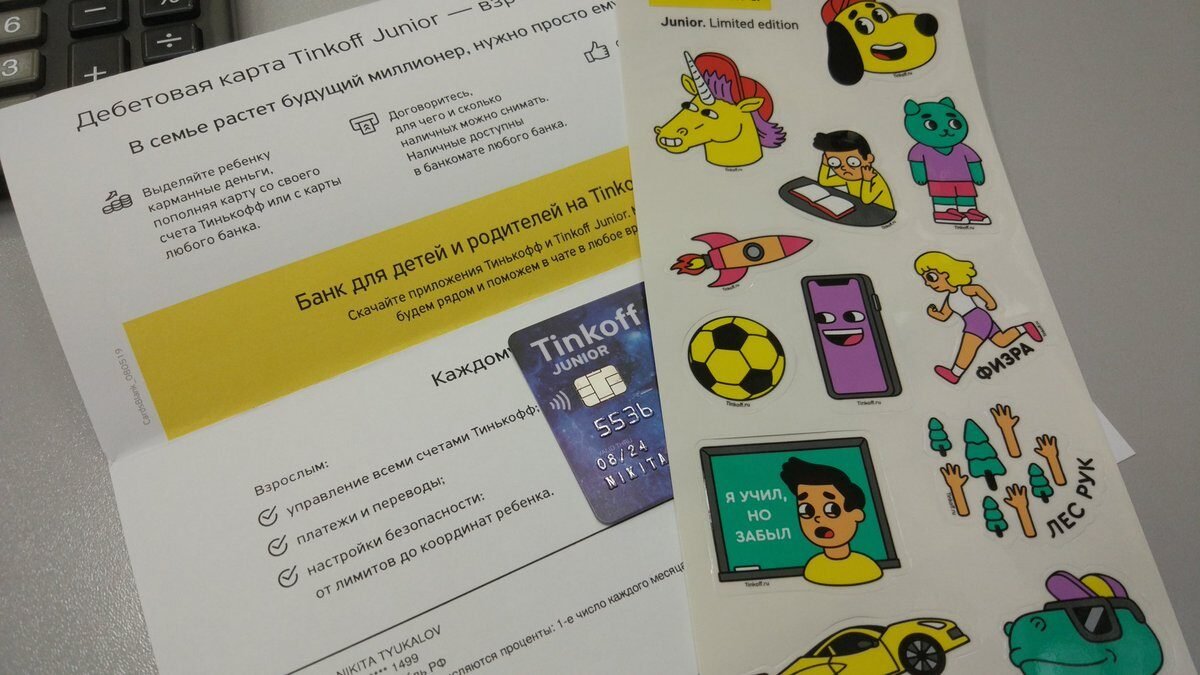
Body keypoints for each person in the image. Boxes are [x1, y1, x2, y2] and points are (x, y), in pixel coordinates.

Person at [915, 251, 1043, 384]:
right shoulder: (949, 299)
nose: (927, 283)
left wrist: (990, 302)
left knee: (968, 347)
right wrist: (933, 313)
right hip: (979, 319)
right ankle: (1025, 328)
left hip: (976, 319)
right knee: (1001, 341)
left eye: (930, 277)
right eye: (925, 280)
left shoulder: (962, 290)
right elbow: (944, 316)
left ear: (946, 273)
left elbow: (977, 289)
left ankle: (955, 374)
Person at [780, 457, 882, 586]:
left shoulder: (867, 567)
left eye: (831, 509)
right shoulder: (813, 568)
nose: (818, 518)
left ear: (856, 514)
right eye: (806, 510)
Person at [813, 130, 894, 210]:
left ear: (869, 159)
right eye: (834, 162)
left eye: (853, 162)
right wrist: (825, 164)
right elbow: (824, 181)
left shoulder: (874, 178)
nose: (844, 168)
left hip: (883, 213)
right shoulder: (849, 177)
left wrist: (867, 180)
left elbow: (866, 199)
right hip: (863, 210)